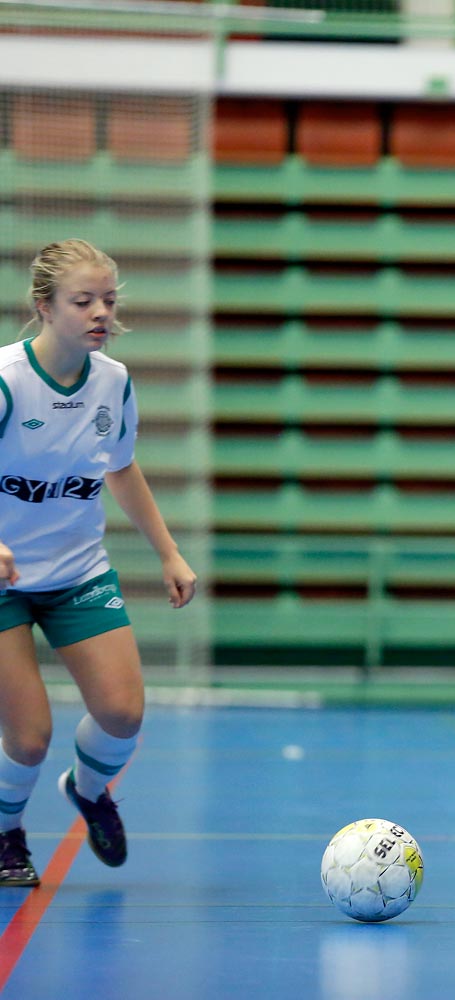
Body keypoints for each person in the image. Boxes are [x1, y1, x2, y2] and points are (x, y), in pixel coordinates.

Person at [0, 240, 198, 888]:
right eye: (83, 301)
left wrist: (167, 551)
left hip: (78, 571)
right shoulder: (7, 381)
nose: (99, 313)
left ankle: (88, 791)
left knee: (123, 713)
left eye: (108, 300)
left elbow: (120, 467)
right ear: (44, 307)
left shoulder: (112, 381)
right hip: (3, 581)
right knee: (28, 738)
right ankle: (6, 833)